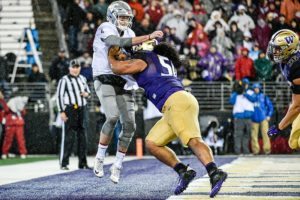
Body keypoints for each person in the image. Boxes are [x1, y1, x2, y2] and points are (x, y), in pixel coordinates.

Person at [107, 41, 227, 198]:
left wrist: (110, 53)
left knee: (193, 140)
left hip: (176, 103)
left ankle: (214, 172)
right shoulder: (160, 60)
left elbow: (117, 68)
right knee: (152, 142)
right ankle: (183, 171)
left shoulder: (145, 59)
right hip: (174, 104)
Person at [92, 0, 163, 184]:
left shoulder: (130, 32)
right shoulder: (105, 27)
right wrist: (147, 36)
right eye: (122, 17)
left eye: (126, 18)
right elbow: (116, 42)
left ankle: (117, 165)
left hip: (124, 79)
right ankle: (100, 157)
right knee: (112, 116)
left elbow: (134, 50)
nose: (124, 20)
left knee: (130, 125)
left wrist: (149, 45)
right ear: (113, 16)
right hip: (105, 76)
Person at [267, 29, 300, 150]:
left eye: (277, 49)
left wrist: (279, 127)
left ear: (288, 49)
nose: (273, 51)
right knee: (294, 142)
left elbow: (297, 106)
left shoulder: (296, 66)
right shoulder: (287, 61)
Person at [56, 59, 91, 170]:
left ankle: (83, 163)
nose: (75, 69)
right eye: (73, 67)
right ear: (69, 68)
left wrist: (86, 94)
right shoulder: (64, 80)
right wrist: (62, 111)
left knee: (83, 137)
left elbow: (88, 93)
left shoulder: (83, 78)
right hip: (70, 109)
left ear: (80, 68)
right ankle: (64, 163)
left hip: (82, 108)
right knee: (68, 137)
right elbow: (59, 96)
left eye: (77, 67)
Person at [229, 78, 254, 154]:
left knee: (247, 135)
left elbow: (254, 99)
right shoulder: (235, 93)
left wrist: (245, 93)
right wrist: (237, 92)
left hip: (248, 117)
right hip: (239, 117)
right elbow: (231, 102)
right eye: (243, 84)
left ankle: (246, 151)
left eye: (246, 85)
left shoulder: (250, 92)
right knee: (238, 135)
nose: (244, 86)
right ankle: (237, 151)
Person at [251, 83, 273, 155]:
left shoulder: (263, 96)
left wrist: (269, 115)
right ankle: (255, 151)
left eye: (257, 88)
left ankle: (267, 150)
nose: (256, 89)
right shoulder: (251, 97)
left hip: (263, 118)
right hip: (254, 119)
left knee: (266, 134)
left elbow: (270, 107)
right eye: (255, 88)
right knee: (254, 135)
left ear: (259, 89)